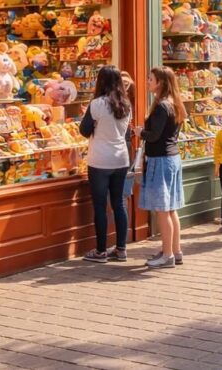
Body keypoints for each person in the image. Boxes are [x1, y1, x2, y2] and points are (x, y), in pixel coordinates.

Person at [79, 66, 132, 263]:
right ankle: (121, 248)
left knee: (100, 206)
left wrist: (94, 125)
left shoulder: (97, 104)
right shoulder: (126, 104)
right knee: (119, 204)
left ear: (100, 81)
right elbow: (126, 133)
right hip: (121, 159)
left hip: (100, 160)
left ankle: (101, 251)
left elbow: (84, 130)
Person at [137, 66, 185, 268]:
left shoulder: (162, 106)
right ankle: (175, 250)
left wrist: (140, 132)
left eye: (151, 79)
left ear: (161, 83)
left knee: (162, 210)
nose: (148, 82)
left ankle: (167, 255)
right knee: (171, 208)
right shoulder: (174, 104)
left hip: (161, 160)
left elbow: (154, 135)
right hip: (172, 158)